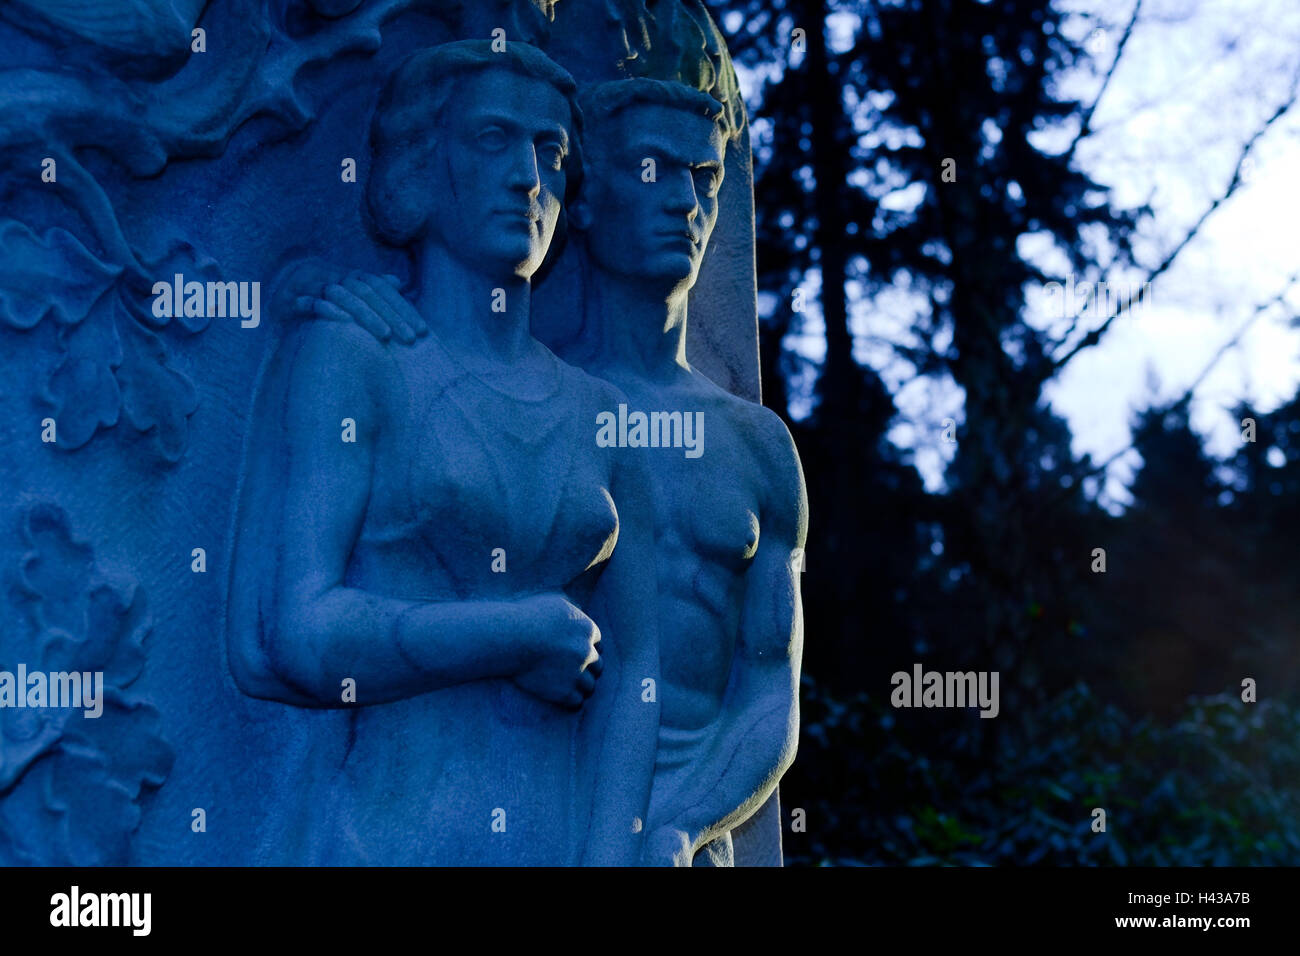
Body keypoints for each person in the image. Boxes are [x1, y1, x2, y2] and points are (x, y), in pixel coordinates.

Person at [225, 41, 658, 866]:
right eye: (493, 138)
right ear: (423, 162)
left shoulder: (603, 411)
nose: (529, 176)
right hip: (383, 838)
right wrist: (510, 635)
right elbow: (294, 634)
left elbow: (637, 672)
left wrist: (611, 855)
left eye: (550, 150)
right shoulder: (353, 354)